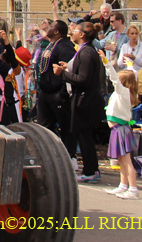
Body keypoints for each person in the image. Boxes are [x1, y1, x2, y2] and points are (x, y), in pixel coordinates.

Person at [54, 21, 106, 183]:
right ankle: (92, 169)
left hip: (85, 101)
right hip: (83, 99)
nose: (72, 33)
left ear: (82, 34)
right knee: (84, 136)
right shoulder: (83, 51)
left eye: (75, 30)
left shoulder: (87, 53)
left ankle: (90, 170)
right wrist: (68, 68)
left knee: (85, 137)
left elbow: (83, 79)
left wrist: (62, 74)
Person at [35, 20, 78, 165]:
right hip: (45, 92)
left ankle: (70, 157)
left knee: (65, 126)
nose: (48, 28)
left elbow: (68, 69)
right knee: (44, 125)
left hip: (58, 93)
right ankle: (48, 156)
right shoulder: (52, 44)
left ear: (57, 31)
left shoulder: (65, 47)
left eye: (52, 26)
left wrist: (63, 92)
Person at [102, 54, 139, 199]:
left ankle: (133, 189)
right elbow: (133, 75)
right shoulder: (123, 93)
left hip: (120, 129)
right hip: (117, 129)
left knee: (127, 160)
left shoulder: (123, 92)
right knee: (122, 160)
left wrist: (106, 62)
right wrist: (130, 65)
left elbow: (114, 77)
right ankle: (123, 185)